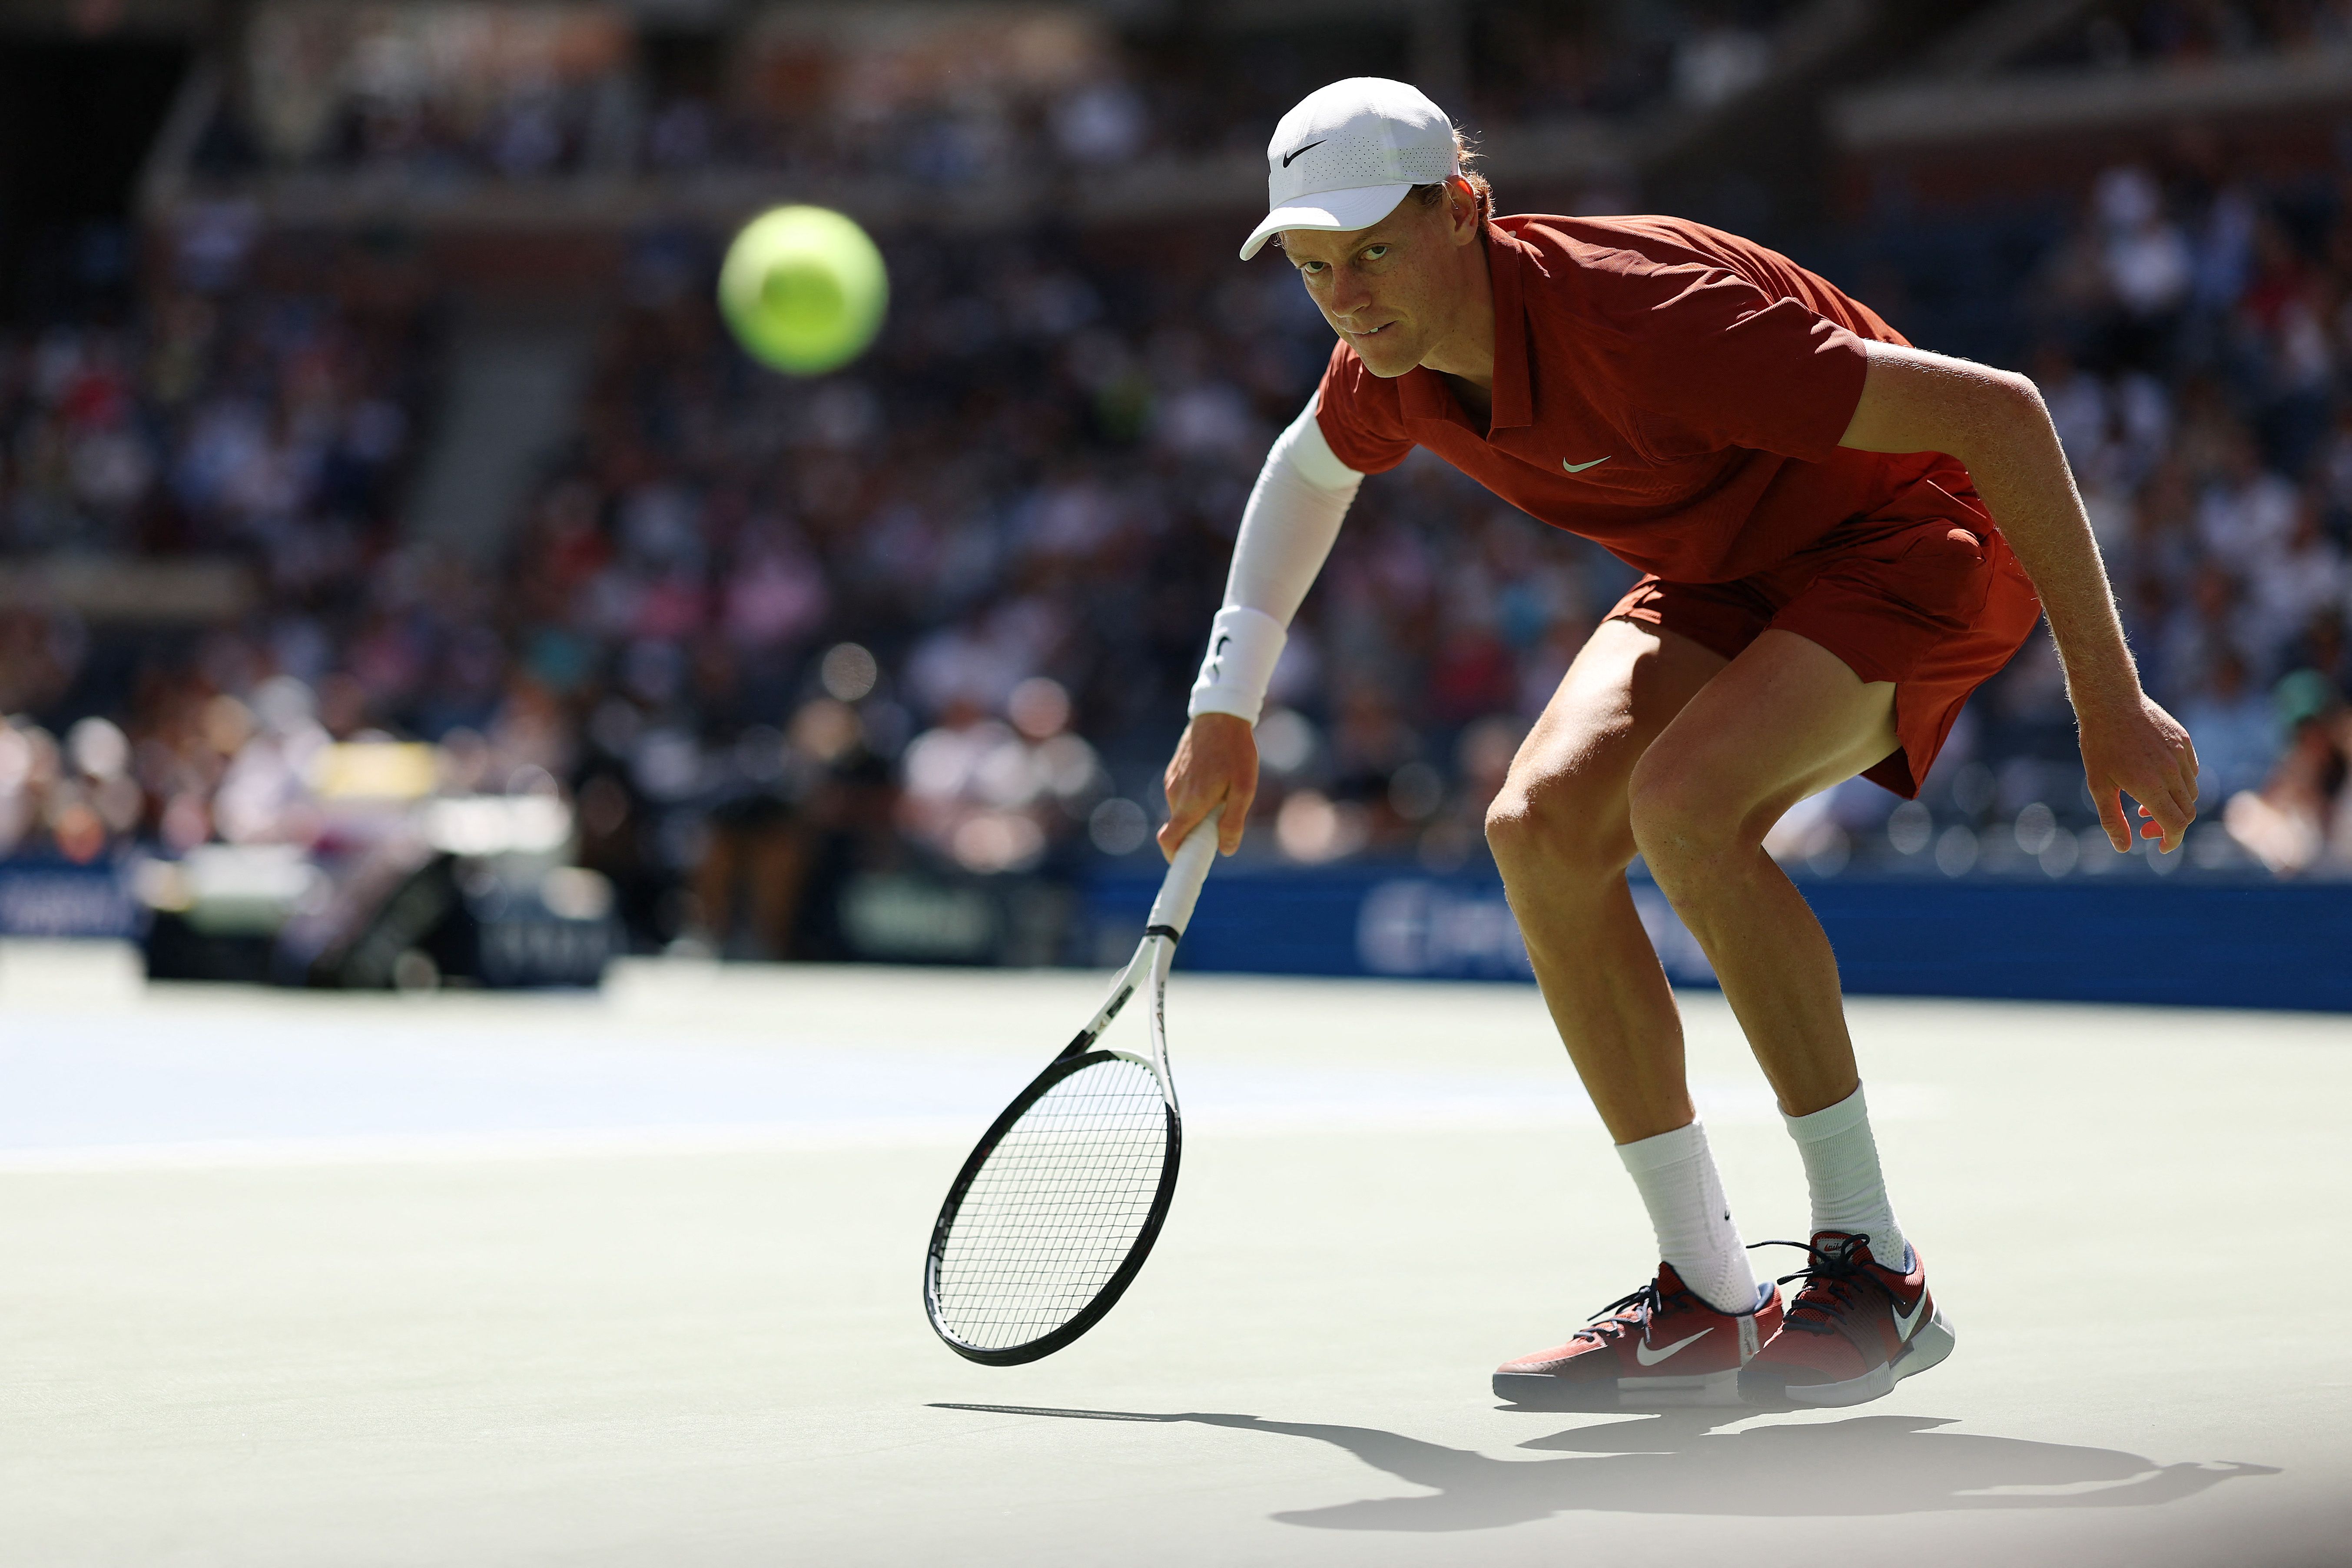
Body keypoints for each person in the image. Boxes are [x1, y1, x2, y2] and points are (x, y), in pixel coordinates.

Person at [1158, 79, 2199, 1410]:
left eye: (1372, 250)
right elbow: (1308, 471)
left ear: (1465, 211)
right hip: (1726, 568)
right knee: (1536, 830)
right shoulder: (1390, 369)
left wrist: (2107, 696)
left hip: (1914, 540)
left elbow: (2000, 413)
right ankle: (1707, 1292)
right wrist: (1225, 702)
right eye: (1314, 269)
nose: (1349, 298)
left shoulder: (1648, 321)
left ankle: (1873, 1264)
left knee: (1689, 807)